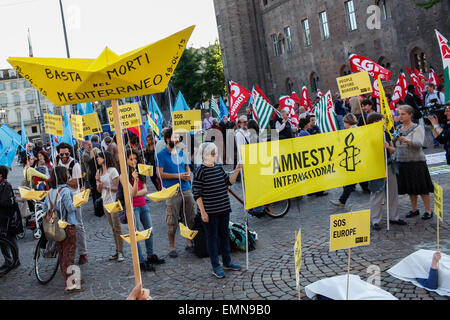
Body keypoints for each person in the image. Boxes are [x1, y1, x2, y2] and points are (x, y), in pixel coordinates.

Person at [193, 143, 242, 278]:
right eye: (213, 154)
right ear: (205, 155)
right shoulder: (200, 171)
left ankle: (227, 262)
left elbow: (229, 182)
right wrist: (202, 212)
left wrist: (237, 170)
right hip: (210, 212)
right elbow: (197, 193)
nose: (215, 156)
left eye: (215, 153)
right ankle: (216, 266)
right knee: (212, 238)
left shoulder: (218, 168)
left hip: (223, 208)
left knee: (224, 236)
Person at [122, 148, 165, 271]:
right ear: (126, 160)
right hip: (133, 207)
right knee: (137, 235)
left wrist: (137, 190)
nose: (133, 161)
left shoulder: (140, 171)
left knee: (149, 231)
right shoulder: (124, 175)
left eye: (135, 158)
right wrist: (135, 181)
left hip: (143, 205)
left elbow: (145, 190)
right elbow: (132, 193)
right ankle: (140, 260)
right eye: (131, 159)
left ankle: (150, 255)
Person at [156, 128, 196, 258]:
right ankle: (172, 247)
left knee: (189, 217)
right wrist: (178, 176)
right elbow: (160, 174)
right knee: (172, 221)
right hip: (171, 192)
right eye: (175, 138)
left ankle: (189, 243)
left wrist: (188, 173)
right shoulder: (161, 155)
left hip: (186, 188)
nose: (178, 140)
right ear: (168, 139)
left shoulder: (181, 152)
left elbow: (186, 167)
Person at [42, 167, 80, 292]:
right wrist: (79, 201)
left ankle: (69, 281)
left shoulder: (50, 192)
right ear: (63, 176)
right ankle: (71, 283)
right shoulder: (65, 191)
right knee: (69, 255)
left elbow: (45, 209)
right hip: (68, 226)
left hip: (56, 227)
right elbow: (70, 208)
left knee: (62, 254)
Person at [367, 113, 407, 231]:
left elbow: (393, 149)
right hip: (375, 166)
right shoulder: (367, 135)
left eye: (383, 120)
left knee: (392, 192)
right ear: (374, 122)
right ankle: (375, 220)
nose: (383, 122)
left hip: (389, 164)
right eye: (381, 120)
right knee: (376, 193)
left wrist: (388, 147)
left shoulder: (385, 133)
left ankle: (394, 217)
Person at [394, 105, 434, 220]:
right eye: (399, 114)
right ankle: (414, 209)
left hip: (416, 162)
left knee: (422, 187)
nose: (400, 116)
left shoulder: (417, 128)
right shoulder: (398, 128)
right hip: (403, 162)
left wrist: (406, 140)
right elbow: (395, 145)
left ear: (410, 115)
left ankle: (428, 210)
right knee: (410, 187)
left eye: (403, 114)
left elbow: (418, 144)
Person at [55, 142, 88, 265]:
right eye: (61, 154)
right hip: (61, 196)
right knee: (61, 224)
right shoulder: (57, 162)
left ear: (70, 152)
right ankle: (64, 252)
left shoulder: (75, 165)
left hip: (74, 197)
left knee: (78, 225)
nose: (64, 156)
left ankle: (83, 253)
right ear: (58, 153)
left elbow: (75, 184)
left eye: (66, 154)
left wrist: (63, 180)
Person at [95, 151, 124, 262]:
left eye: (99, 157)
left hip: (114, 201)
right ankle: (117, 251)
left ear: (104, 158)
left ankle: (121, 251)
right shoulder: (99, 171)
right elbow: (99, 190)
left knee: (117, 228)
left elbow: (118, 188)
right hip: (105, 202)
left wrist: (105, 187)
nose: (97, 159)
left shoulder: (113, 171)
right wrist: (98, 182)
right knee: (113, 228)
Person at [330, 114, 360, 208]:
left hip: (353, 159)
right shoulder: (355, 129)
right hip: (353, 159)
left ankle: (342, 201)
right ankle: (342, 200)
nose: (343, 124)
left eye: (344, 122)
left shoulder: (352, 131)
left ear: (348, 122)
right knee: (350, 182)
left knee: (349, 181)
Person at [0, 165, 20, 276]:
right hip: (1, 217)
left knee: (10, 239)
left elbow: (7, 202)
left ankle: (16, 260)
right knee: (2, 241)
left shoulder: (6, 185)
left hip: (8, 218)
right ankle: (8, 260)